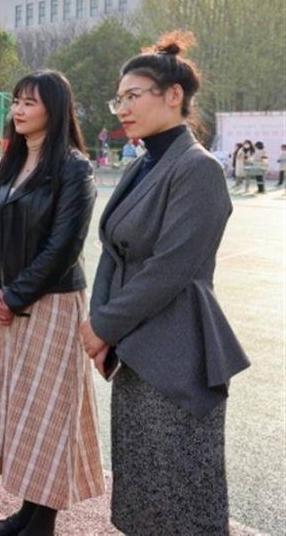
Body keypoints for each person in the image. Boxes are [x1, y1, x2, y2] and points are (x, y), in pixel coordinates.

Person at [81, 33, 249, 536]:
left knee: (180, 492)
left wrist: (104, 325)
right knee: (142, 485)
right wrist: (103, 322)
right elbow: (112, 247)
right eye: (118, 99)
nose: (123, 108)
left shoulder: (197, 169)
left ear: (173, 95)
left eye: (133, 96)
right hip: (135, 346)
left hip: (177, 350)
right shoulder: (142, 165)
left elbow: (170, 269)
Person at [0, 70, 104, 536]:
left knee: (47, 412)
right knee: (22, 410)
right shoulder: (11, 164)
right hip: (7, 303)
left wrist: (12, 295)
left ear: (55, 107)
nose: (18, 109)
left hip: (51, 304)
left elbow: (63, 246)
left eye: (29, 102)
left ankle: (42, 521)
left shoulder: (73, 167)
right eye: (16, 101)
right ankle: (29, 512)